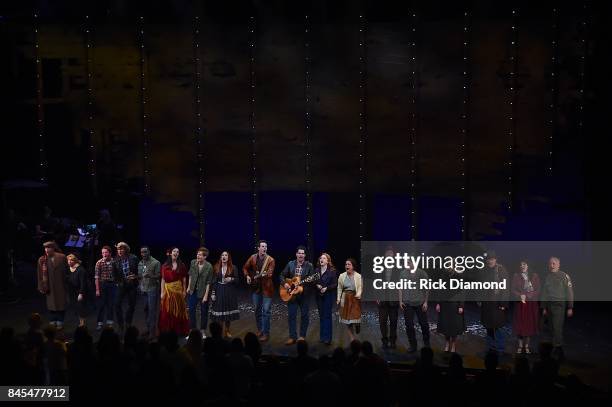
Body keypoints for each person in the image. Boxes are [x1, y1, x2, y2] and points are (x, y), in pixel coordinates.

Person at [540, 256, 574, 360]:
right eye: (550, 263)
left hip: (559, 305)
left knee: (557, 328)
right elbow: (544, 293)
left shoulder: (564, 276)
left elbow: (569, 292)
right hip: (549, 305)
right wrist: (544, 307)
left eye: (554, 263)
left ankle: (558, 350)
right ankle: (554, 349)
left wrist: (570, 307)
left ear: (559, 265)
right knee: (551, 328)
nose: (552, 265)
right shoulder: (548, 277)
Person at [280, 245, 315, 345]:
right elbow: (281, 275)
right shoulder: (290, 264)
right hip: (292, 295)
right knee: (291, 316)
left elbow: (312, 280)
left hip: (304, 295)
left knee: (304, 316)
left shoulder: (309, 266)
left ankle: (302, 336)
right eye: (299, 253)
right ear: (296, 254)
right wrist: (285, 284)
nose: (300, 255)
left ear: (305, 255)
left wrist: (302, 286)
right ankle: (292, 337)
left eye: (302, 253)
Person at [242, 240, 275, 342]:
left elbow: (270, 273)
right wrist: (247, 276)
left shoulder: (270, 260)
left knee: (266, 311)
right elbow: (245, 268)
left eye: (266, 246)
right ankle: (260, 329)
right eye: (263, 246)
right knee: (257, 310)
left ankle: (266, 333)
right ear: (258, 248)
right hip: (256, 288)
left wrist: (264, 274)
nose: (264, 248)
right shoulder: (253, 257)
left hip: (267, 289)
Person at [399, 257, 430, 352]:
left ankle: (426, 344)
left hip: (420, 303)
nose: (406, 264)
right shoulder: (403, 273)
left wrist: (425, 302)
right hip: (407, 303)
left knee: (424, 324)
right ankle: (413, 345)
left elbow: (427, 288)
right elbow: (400, 287)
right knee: (409, 325)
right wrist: (400, 301)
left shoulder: (421, 273)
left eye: (408, 262)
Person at [480, 251, 509, 355]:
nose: (490, 261)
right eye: (488, 259)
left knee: (498, 327)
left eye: (492, 259)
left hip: (497, 304)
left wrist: (503, 304)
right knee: (488, 326)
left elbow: (505, 288)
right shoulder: (485, 270)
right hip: (487, 304)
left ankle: (500, 349)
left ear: (496, 259)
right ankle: (490, 348)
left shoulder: (501, 270)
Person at [511, 260, 540, 354]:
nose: (522, 266)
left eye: (524, 264)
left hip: (530, 305)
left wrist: (530, 295)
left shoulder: (534, 276)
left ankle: (527, 346)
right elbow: (512, 289)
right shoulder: (516, 276)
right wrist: (519, 295)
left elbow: (538, 290)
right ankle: (520, 346)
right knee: (520, 325)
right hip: (520, 304)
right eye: (521, 264)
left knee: (528, 326)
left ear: (528, 265)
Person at [36, 241, 67, 329]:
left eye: (48, 248)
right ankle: (52, 320)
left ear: (53, 248)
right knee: (51, 304)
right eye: (45, 248)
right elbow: (39, 275)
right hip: (49, 286)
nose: (46, 250)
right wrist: (41, 286)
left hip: (60, 285)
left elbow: (67, 271)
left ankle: (60, 321)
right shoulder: (42, 260)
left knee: (61, 304)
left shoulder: (62, 257)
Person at [159, 247, 189, 336]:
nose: (176, 253)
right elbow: (163, 280)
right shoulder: (165, 266)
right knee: (168, 310)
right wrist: (162, 292)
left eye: (177, 251)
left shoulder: (181, 265)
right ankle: (168, 330)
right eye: (174, 251)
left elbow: (184, 279)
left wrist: (184, 291)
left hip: (178, 292)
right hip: (168, 291)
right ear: (170, 253)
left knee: (179, 311)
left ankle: (178, 330)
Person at [210, 251, 240, 338]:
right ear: (220, 257)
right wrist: (213, 293)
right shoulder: (216, 267)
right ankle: (219, 331)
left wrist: (231, 279)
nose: (224, 257)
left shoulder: (233, 267)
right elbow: (214, 281)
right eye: (222, 255)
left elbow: (237, 280)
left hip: (229, 291)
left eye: (226, 255)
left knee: (227, 312)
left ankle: (227, 330)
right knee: (219, 311)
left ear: (228, 257)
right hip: (219, 290)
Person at [436, 267, 465, 353]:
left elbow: (462, 291)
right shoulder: (443, 275)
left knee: (454, 326)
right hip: (445, 304)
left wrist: (461, 305)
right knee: (446, 326)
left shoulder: (459, 276)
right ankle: (447, 343)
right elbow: (440, 290)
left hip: (455, 304)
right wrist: (438, 303)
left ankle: (453, 344)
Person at [186, 247, 213, 338]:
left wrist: (206, 296)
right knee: (191, 311)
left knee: (204, 312)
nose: (198, 256)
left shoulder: (209, 266)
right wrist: (189, 287)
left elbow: (209, 282)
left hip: (203, 292)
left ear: (205, 257)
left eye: (200, 255)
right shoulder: (193, 262)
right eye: (197, 254)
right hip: (193, 291)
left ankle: (202, 331)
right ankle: (192, 330)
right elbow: (190, 275)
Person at [113, 242, 139, 333]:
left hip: (132, 285)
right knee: (116, 304)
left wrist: (135, 276)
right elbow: (114, 274)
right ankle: (120, 324)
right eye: (118, 249)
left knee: (132, 305)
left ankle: (128, 322)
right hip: (122, 285)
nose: (119, 251)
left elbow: (138, 271)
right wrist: (117, 282)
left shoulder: (133, 258)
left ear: (126, 249)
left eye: (121, 249)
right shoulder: (115, 260)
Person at [376, 248, 400, 349]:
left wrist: (400, 298)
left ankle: (393, 341)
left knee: (394, 321)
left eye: (391, 254)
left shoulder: (398, 268)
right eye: (387, 254)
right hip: (382, 299)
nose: (389, 256)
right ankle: (385, 340)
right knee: (382, 321)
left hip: (393, 300)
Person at [138, 246, 161, 340]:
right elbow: (140, 276)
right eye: (142, 252)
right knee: (145, 310)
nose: (143, 254)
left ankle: (152, 332)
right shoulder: (140, 263)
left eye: (145, 252)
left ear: (149, 252)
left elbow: (159, 275)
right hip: (143, 289)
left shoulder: (156, 262)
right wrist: (137, 281)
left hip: (152, 289)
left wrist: (151, 275)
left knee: (152, 311)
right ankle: (149, 328)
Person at [337, 258, 362, 342]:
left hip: (354, 298)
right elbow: (339, 288)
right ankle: (352, 339)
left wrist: (358, 294)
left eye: (349, 264)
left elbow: (360, 287)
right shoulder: (342, 276)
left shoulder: (358, 276)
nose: (347, 266)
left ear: (353, 266)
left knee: (355, 317)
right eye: (346, 264)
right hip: (345, 298)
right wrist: (338, 298)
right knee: (348, 320)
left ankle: (357, 324)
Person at [94, 246, 119, 330]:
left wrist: (117, 284)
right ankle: (100, 323)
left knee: (110, 304)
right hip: (103, 285)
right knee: (101, 305)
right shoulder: (99, 262)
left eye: (106, 252)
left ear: (109, 253)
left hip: (112, 285)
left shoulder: (114, 261)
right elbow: (96, 277)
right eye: (103, 252)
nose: (104, 254)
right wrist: (97, 289)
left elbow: (117, 273)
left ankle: (110, 322)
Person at [315, 253, 337, 345]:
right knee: (321, 316)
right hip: (319, 296)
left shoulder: (332, 271)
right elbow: (314, 281)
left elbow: (335, 284)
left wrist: (326, 288)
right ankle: (322, 337)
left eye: (324, 258)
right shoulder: (316, 270)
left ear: (328, 261)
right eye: (321, 258)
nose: (322, 259)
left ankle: (328, 338)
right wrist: (317, 285)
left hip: (328, 296)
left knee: (327, 316)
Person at [66, 254, 88, 327]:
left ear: (75, 261)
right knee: (76, 307)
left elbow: (83, 283)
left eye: (71, 260)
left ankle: (82, 323)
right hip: (72, 291)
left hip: (79, 291)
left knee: (80, 307)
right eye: (68, 260)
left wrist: (81, 293)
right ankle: (80, 321)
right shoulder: (68, 269)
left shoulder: (81, 270)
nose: (69, 262)